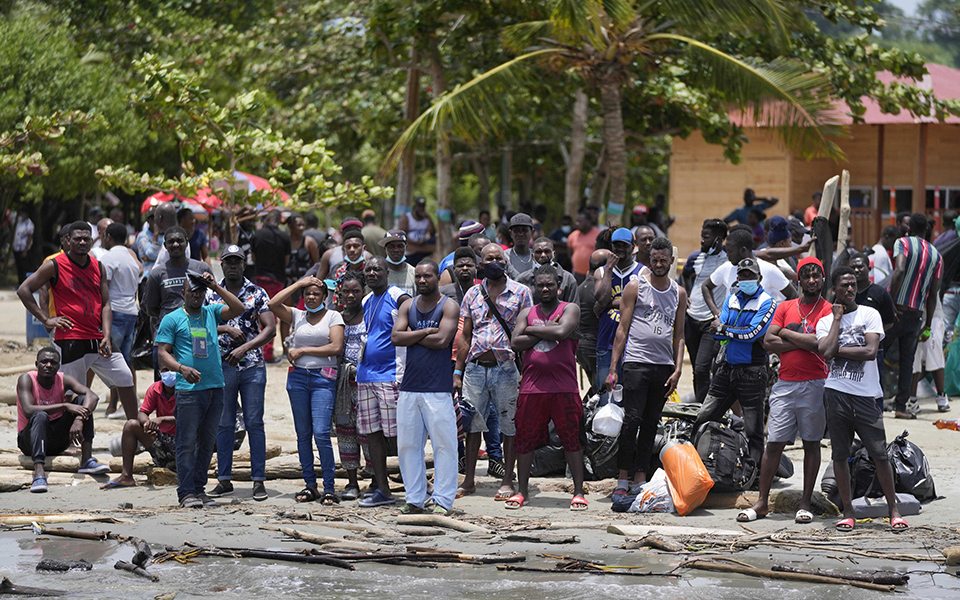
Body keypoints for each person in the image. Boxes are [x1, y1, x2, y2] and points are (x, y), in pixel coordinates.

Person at [738, 257, 831, 524]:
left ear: (822, 279)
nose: (811, 280)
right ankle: (762, 502)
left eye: (816, 276)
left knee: (811, 443)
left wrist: (788, 334)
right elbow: (768, 341)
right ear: (798, 280)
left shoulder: (827, 309)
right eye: (806, 276)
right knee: (774, 443)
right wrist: (800, 339)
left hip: (816, 383)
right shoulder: (785, 306)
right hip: (785, 383)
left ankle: (804, 503)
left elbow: (818, 344)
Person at [17, 222, 140, 420]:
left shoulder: (98, 266)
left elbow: (106, 304)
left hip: (97, 336)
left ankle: (136, 430)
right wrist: (46, 319)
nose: (82, 242)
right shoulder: (55, 264)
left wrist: (107, 336)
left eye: (86, 238)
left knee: (125, 376)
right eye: (77, 239)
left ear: (92, 241)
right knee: (74, 390)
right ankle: (70, 438)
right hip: (70, 338)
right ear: (68, 241)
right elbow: (24, 290)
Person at [816, 267, 907, 532]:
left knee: (879, 454)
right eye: (844, 285)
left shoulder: (870, 314)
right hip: (835, 395)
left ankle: (894, 509)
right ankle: (848, 511)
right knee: (840, 455)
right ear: (834, 290)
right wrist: (836, 319)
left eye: (853, 284)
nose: (850, 289)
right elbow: (824, 353)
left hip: (867, 397)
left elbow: (869, 351)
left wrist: (837, 351)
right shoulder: (825, 321)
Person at [156, 271, 245, 508]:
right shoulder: (172, 319)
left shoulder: (211, 312)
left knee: (207, 443)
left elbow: (238, 308)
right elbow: (163, 351)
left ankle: (199, 489)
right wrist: (181, 368)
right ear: (183, 293)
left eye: (200, 291)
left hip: (215, 387)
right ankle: (185, 493)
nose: (196, 295)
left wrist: (215, 286)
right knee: (186, 442)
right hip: (188, 389)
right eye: (191, 291)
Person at [607, 238, 685, 499]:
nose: (659, 264)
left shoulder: (678, 292)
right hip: (636, 362)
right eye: (654, 260)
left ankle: (641, 476)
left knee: (652, 423)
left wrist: (678, 369)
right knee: (631, 421)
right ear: (648, 259)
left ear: (671, 261)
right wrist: (613, 367)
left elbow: (680, 335)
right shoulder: (635, 286)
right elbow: (622, 329)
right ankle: (623, 477)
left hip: (663, 366)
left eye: (664, 260)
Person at [454, 244, 533, 501]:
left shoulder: (521, 293)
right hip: (476, 368)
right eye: (489, 258)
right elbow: (465, 336)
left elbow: (529, 333)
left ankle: (507, 479)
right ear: (481, 262)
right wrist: (458, 371)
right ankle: (469, 480)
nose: (494, 262)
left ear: (506, 261)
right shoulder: (472, 294)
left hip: (506, 368)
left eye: (499, 258)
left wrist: (527, 370)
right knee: (472, 424)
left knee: (509, 425)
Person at [509, 265, 585, 510]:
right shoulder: (527, 312)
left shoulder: (569, 308)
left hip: (564, 387)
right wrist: (545, 331)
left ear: (558, 286)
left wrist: (532, 330)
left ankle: (578, 491)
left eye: (549, 285)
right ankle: (522, 491)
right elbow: (515, 343)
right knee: (525, 439)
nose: (544, 288)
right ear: (534, 287)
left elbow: (563, 331)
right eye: (540, 285)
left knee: (571, 439)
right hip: (532, 387)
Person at [205, 245, 276, 501]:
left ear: (244, 265)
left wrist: (245, 347)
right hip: (221, 365)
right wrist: (225, 329)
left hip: (252, 365)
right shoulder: (212, 294)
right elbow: (202, 323)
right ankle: (224, 479)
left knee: (254, 422)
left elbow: (270, 328)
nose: (233, 265)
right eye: (228, 261)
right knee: (224, 424)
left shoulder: (257, 293)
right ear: (221, 265)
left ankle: (259, 480)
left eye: (237, 261)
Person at [392, 260, 461, 515]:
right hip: (409, 387)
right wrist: (424, 333)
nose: (422, 280)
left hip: (438, 388)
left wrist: (412, 334)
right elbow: (395, 337)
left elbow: (443, 340)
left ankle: (443, 500)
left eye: (427, 276)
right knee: (408, 446)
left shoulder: (449, 305)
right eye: (418, 276)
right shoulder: (408, 305)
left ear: (436, 277)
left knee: (445, 446)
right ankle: (415, 499)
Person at [693, 257, 777, 466]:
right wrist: (725, 330)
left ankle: (754, 474)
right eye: (743, 275)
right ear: (737, 278)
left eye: (751, 275)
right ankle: (695, 465)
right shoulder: (731, 299)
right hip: (726, 368)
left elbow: (753, 334)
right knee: (704, 417)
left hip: (752, 372)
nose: (746, 278)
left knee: (754, 429)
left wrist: (724, 329)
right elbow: (717, 335)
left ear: (759, 278)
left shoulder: (767, 302)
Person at [269, 276, 344, 505]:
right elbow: (273, 304)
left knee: (321, 433)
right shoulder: (297, 316)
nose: (312, 297)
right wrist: (299, 284)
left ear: (324, 297)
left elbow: (336, 346)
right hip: (298, 378)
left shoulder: (333, 316)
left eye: (316, 294)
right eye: (308, 294)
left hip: (323, 378)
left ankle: (329, 487)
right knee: (303, 434)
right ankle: (310, 485)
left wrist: (303, 351)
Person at [440, 247, 504, 476]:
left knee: (490, 412)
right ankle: (460, 458)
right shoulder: (445, 292)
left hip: (478, 359)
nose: (464, 269)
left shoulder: (483, 291)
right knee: (455, 411)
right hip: (450, 360)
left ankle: (496, 458)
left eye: (469, 264)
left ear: (476, 267)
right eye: (460, 265)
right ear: (453, 269)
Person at [356, 257, 412, 507]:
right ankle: (383, 488)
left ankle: (416, 485)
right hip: (365, 375)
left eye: (377, 269)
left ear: (387, 273)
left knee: (399, 434)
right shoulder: (366, 300)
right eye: (368, 270)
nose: (372, 273)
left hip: (391, 375)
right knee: (373, 434)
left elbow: (412, 305)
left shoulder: (396, 294)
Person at [18, 347, 104, 493]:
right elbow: (28, 410)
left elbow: (92, 396)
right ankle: (39, 472)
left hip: (56, 440)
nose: (48, 365)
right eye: (44, 362)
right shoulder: (26, 379)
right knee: (40, 415)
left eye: (53, 362)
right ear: (36, 364)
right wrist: (64, 405)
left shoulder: (64, 379)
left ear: (58, 366)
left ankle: (87, 460)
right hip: (30, 442)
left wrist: (78, 419)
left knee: (83, 401)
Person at [888, 213, 943, 418]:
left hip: (897, 310)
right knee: (907, 361)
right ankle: (901, 407)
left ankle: (873, 403)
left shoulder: (902, 242)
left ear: (909, 228)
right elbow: (933, 295)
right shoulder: (937, 255)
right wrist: (927, 325)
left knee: (878, 354)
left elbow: (899, 270)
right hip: (915, 315)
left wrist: (890, 303)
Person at [144, 226, 214, 378]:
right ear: (165, 246)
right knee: (164, 387)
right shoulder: (157, 274)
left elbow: (212, 300)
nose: (175, 244)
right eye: (171, 242)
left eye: (179, 241)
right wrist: (173, 319)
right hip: (166, 339)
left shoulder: (201, 268)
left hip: (197, 335)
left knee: (198, 382)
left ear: (186, 243)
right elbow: (151, 309)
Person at [101, 371, 177, 489]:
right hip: (162, 442)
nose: (170, 373)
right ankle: (126, 476)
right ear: (159, 372)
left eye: (173, 369)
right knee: (131, 424)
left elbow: (190, 418)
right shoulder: (155, 389)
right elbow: (142, 412)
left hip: (183, 442)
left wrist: (162, 419)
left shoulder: (187, 388)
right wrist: (147, 424)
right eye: (166, 369)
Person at [99, 222, 143, 418]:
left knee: (111, 359)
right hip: (131, 312)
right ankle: (123, 404)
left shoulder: (108, 258)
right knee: (125, 360)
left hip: (115, 312)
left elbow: (104, 289)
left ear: (108, 237)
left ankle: (119, 403)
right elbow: (140, 274)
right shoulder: (131, 257)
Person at [594, 228, 644, 402]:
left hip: (634, 345)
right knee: (607, 399)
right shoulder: (601, 272)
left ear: (633, 247)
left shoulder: (643, 273)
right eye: (616, 245)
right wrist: (609, 270)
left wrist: (611, 303)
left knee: (631, 399)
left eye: (625, 245)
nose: (620, 249)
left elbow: (639, 302)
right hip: (606, 342)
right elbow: (601, 298)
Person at [334, 270, 370, 501]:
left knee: (370, 433)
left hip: (367, 382)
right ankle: (352, 482)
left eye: (355, 291)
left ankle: (377, 481)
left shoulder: (371, 315)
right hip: (343, 384)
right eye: (346, 291)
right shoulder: (336, 318)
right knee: (346, 432)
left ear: (363, 292)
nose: (350, 295)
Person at [685, 219, 729, 403]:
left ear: (718, 240)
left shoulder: (728, 260)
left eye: (706, 237)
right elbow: (685, 275)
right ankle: (700, 406)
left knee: (704, 368)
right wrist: (687, 294)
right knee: (697, 368)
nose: (702, 241)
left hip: (710, 322)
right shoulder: (695, 257)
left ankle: (707, 409)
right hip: (690, 319)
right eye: (701, 236)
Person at [703, 229, 797, 311]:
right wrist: (715, 312)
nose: (727, 255)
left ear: (743, 251)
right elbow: (706, 286)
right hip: (731, 328)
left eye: (730, 251)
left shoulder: (768, 269)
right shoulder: (726, 268)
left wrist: (775, 314)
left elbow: (792, 294)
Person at [849, 252, 896, 409]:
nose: (856, 270)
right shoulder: (845, 294)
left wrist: (873, 334)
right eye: (853, 267)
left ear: (869, 268)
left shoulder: (880, 293)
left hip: (874, 351)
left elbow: (889, 321)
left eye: (860, 266)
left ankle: (876, 416)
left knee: (875, 386)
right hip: (849, 350)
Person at [250, 210, 290, 363]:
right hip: (277, 279)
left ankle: (257, 350)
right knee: (271, 314)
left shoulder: (257, 234)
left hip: (259, 277)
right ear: (279, 221)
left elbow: (253, 257)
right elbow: (286, 260)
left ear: (267, 219)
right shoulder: (284, 236)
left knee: (258, 313)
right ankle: (267, 353)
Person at [576, 249, 609, 392]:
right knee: (602, 390)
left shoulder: (580, 287)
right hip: (594, 348)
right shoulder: (598, 290)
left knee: (597, 388)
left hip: (582, 348)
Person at [516, 238, 579, 304]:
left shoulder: (567, 279)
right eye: (538, 252)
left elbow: (574, 308)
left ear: (554, 254)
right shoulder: (523, 280)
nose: (543, 255)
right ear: (532, 256)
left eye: (547, 251)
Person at [329, 230, 368, 308]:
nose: (352, 250)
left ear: (364, 248)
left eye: (356, 246)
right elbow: (338, 300)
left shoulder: (370, 270)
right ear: (344, 250)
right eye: (348, 247)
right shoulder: (340, 272)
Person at [400, 196, 437, 265]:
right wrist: (414, 242)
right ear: (415, 207)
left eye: (423, 207)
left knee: (435, 241)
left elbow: (432, 233)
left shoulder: (426, 218)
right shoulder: (407, 218)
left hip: (422, 245)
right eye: (419, 206)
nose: (421, 209)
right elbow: (402, 234)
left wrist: (429, 218)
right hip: (411, 247)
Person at [567, 210, 601, 283]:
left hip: (593, 274)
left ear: (588, 222)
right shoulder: (573, 235)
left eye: (580, 221)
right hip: (577, 273)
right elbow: (570, 252)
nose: (577, 223)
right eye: (576, 221)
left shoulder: (598, 235)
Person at [380, 229, 417, 296]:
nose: (396, 250)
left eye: (400, 246)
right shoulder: (378, 274)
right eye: (391, 247)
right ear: (385, 249)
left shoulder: (414, 273)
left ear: (406, 247)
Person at [504, 213, 536, 279]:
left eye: (524, 230)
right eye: (516, 231)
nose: (520, 234)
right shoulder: (505, 257)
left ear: (532, 232)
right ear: (510, 233)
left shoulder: (537, 256)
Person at [13, 209, 34, 285]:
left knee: (24, 267)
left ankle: (24, 284)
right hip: (16, 247)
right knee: (19, 267)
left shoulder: (29, 224)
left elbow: (29, 237)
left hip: (23, 248)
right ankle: (19, 283)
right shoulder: (18, 221)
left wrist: (25, 250)